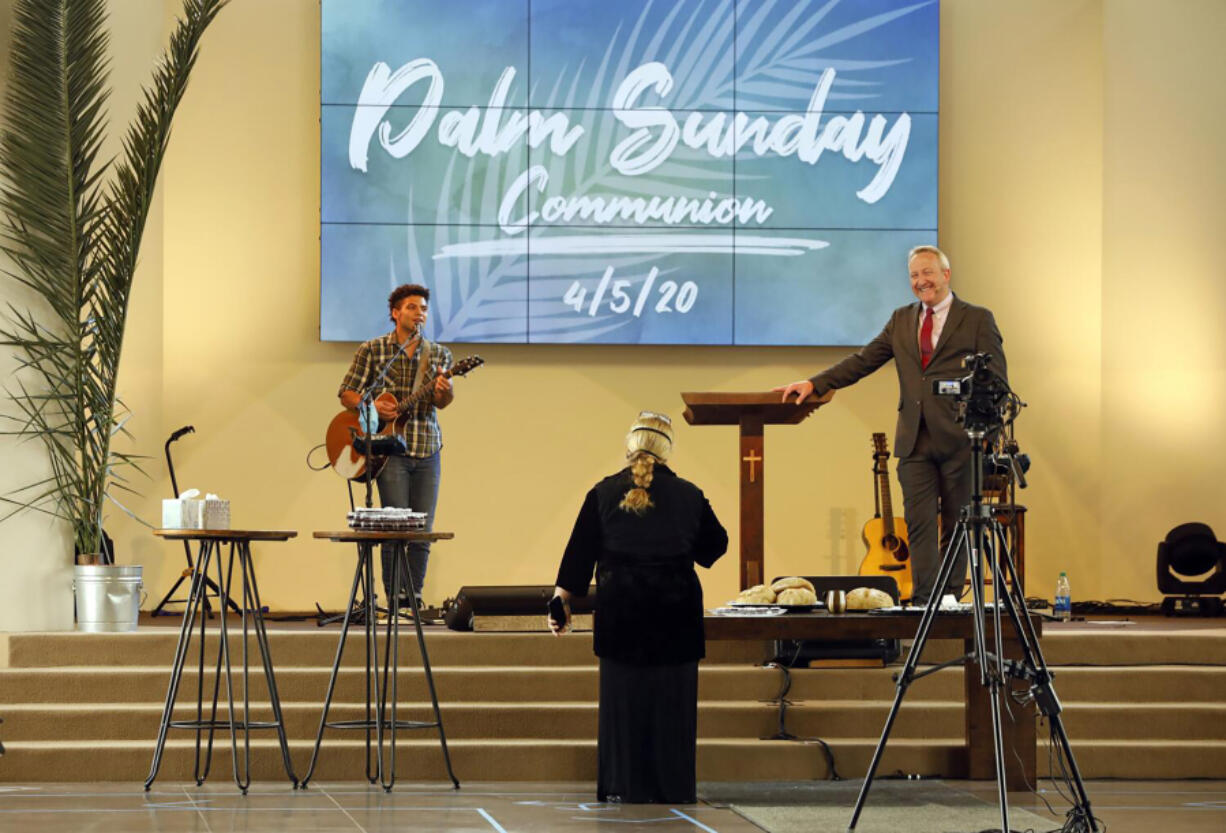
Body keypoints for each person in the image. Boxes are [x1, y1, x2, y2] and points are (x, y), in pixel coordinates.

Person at [775, 245, 1007, 606]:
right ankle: (926, 601)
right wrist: (815, 383)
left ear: (946, 275)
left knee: (957, 525)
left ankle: (948, 599)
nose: (921, 281)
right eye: (914, 276)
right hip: (914, 439)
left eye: (927, 273)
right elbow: (864, 360)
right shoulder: (901, 319)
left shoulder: (977, 318)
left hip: (962, 440)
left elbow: (996, 382)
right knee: (918, 524)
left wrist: (988, 438)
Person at [551, 411, 727, 804]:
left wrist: (560, 603)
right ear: (667, 451)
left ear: (629, 447)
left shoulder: (602, 492)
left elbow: (578, 555)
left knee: (623, 708)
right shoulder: (691, 494)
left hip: (621, 616)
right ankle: (673, 788)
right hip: (675, 617)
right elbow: (714, 548)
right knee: (673, 710)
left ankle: (621, 787)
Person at [338, 283, 453, 611]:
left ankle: (411, 600)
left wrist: (444, 389)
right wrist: (372, 406)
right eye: (413, 307)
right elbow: (346, 392)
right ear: (395, 312)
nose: (420, 313)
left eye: (424, 309)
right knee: (393, 527)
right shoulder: (373, 350)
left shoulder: (439, 354)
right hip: (390, 452)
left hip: (426, 447)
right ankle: (392, 601)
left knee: (421, 530)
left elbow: (444, 402)